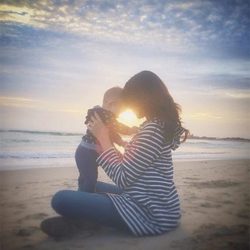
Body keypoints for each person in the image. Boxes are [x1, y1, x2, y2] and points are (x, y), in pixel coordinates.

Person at [40, 71, 189, 238]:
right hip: (152, 200)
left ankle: (78, 223)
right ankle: (81, 221)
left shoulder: (153, 130)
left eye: (130, 99)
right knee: (92, 186)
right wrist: (107, 144)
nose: (129, 106)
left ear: (143, 97)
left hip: (150, 213)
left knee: (60, 199)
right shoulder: (156, 126)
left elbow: (123, 177)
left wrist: (103, 137)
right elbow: (130, 169)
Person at [75, 86, 138, 192]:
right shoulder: (101, 114)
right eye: (120, 110)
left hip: (92, 151)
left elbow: (111, 133)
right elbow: (118, 127)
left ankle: (83, 192)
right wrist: (131, 130)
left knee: (88, 179)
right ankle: (84, 196)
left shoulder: (106, 118)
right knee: (89, 179)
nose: (120, 114)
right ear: (110, 104)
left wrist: (121, 142)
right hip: (87, 152)